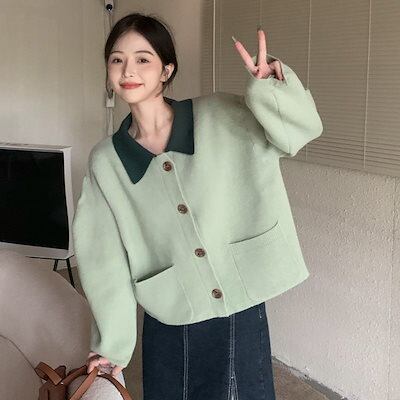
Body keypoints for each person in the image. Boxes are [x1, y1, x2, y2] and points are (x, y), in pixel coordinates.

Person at [72, 12, 323, 400]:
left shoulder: (220, 114)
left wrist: (272, 90)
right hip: (169, 310)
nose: (128, 70)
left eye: (143, 59)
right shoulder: (106, 161)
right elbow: (103, 258)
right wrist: (112, 345)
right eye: (117, 59)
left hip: (239, 301)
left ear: (166, 69)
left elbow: (297, 134)